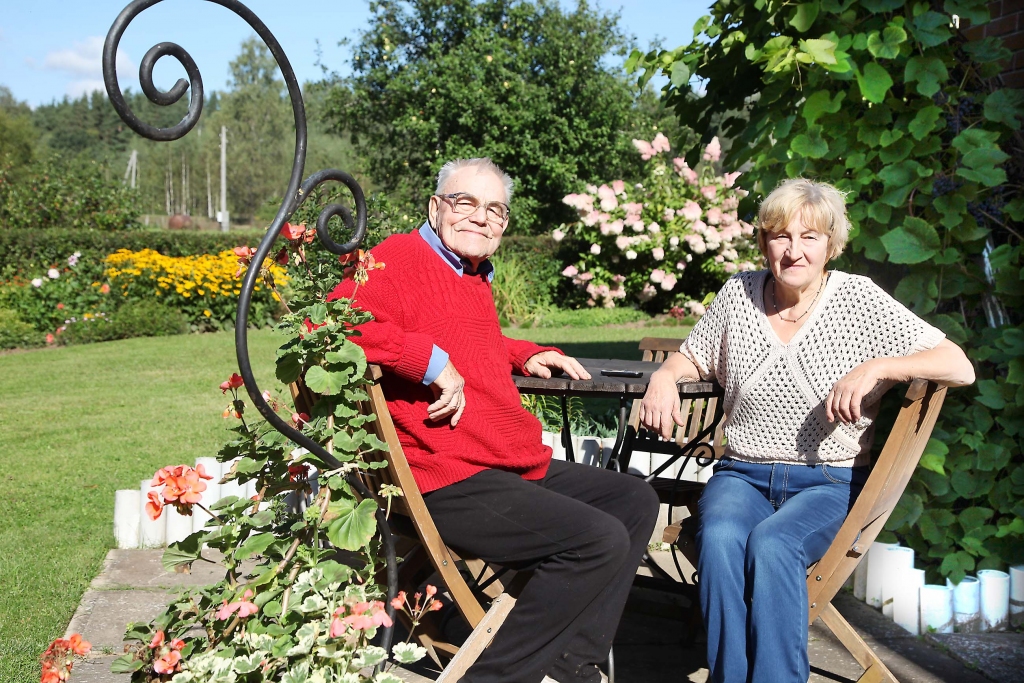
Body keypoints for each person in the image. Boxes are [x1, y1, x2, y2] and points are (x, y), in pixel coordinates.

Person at [328, 158, 659, 683]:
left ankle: (572, 665)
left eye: (495, 210)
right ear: (435, 208)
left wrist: (522, 353)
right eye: (466, 204)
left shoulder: (469, 272)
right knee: (595, 541)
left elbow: (464, 339)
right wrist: (430, 363)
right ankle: (497, 676)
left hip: (498, 459)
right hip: (443, 474)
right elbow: (332, 324)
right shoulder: (397, 257)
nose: (481, 218)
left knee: (636, 500)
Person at [638, 178, 975, 683]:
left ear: (831, 245)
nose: (794, 251)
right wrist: (666, 376)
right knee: (723, 535)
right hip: (742, 475)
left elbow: (959, 365)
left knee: (774, 545)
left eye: (809, 237)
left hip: (826, 483)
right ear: (763, 243)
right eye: (780, 236)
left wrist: (879, 367)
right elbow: (693, 356)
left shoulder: (856, 299)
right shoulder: (739, 294)